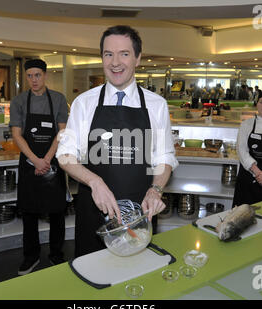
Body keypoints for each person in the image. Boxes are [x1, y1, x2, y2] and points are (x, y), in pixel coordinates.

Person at [56, 25, 178, 257]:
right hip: (94, 212)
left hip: (140, 212)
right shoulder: (84, 103)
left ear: (137, 58)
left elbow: (165, 157)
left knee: (138, 277)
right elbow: (65, 155)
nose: (115, 62)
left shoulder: (156, 104)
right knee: (93, 279)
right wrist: (95, 182)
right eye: (108, 54)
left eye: (124, 53)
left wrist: (156, 190)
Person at [10, 59, 68, 275]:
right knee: (29, 212)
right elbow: (17, 134)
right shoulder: (18, 101)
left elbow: (62, 132)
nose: (34, 80)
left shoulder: (59, 99)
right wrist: (36, 160)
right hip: (29, 161)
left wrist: (47, 160)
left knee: (56, 212)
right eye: (30, 76)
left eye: (37, 75)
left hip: (53, 160)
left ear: (45, 75)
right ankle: (31, 256)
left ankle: (56, 254)